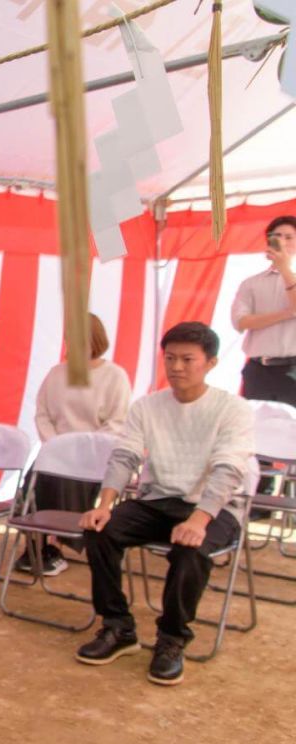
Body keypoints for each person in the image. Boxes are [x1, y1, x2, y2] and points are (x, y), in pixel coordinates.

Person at [76, 322, 254, 686]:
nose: (176, 367)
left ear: (211, 362)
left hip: (214, 507)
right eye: (170, 358)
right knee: (99, 531)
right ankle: (118, 627)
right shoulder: (147, 406)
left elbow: (228, 468)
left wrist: (200, 520)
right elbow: (124, 456)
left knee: (191, 550)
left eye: (187, 359)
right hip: (158, 501)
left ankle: (172, 639)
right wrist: (104, 504)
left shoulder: (232, 409)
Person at [14, 313, 131, 576]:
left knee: (65, 480)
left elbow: (117, 421)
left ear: (95, 340)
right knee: (37, 477)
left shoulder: (114, 376)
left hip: (93, 457)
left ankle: (54, 544)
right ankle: (35, 545)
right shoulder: (56, 373)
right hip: (56, 451)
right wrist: (57, 446)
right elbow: (42, 413)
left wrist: (82, 451)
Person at [231, 215, 296, 404]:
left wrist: (285, 268)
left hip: (293, 368)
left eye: (288, 237)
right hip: (258, 369)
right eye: (276, 236)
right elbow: (240, 322)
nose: (282, 242)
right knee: (256, 426)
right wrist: (285, 314)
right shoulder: (251, 283)